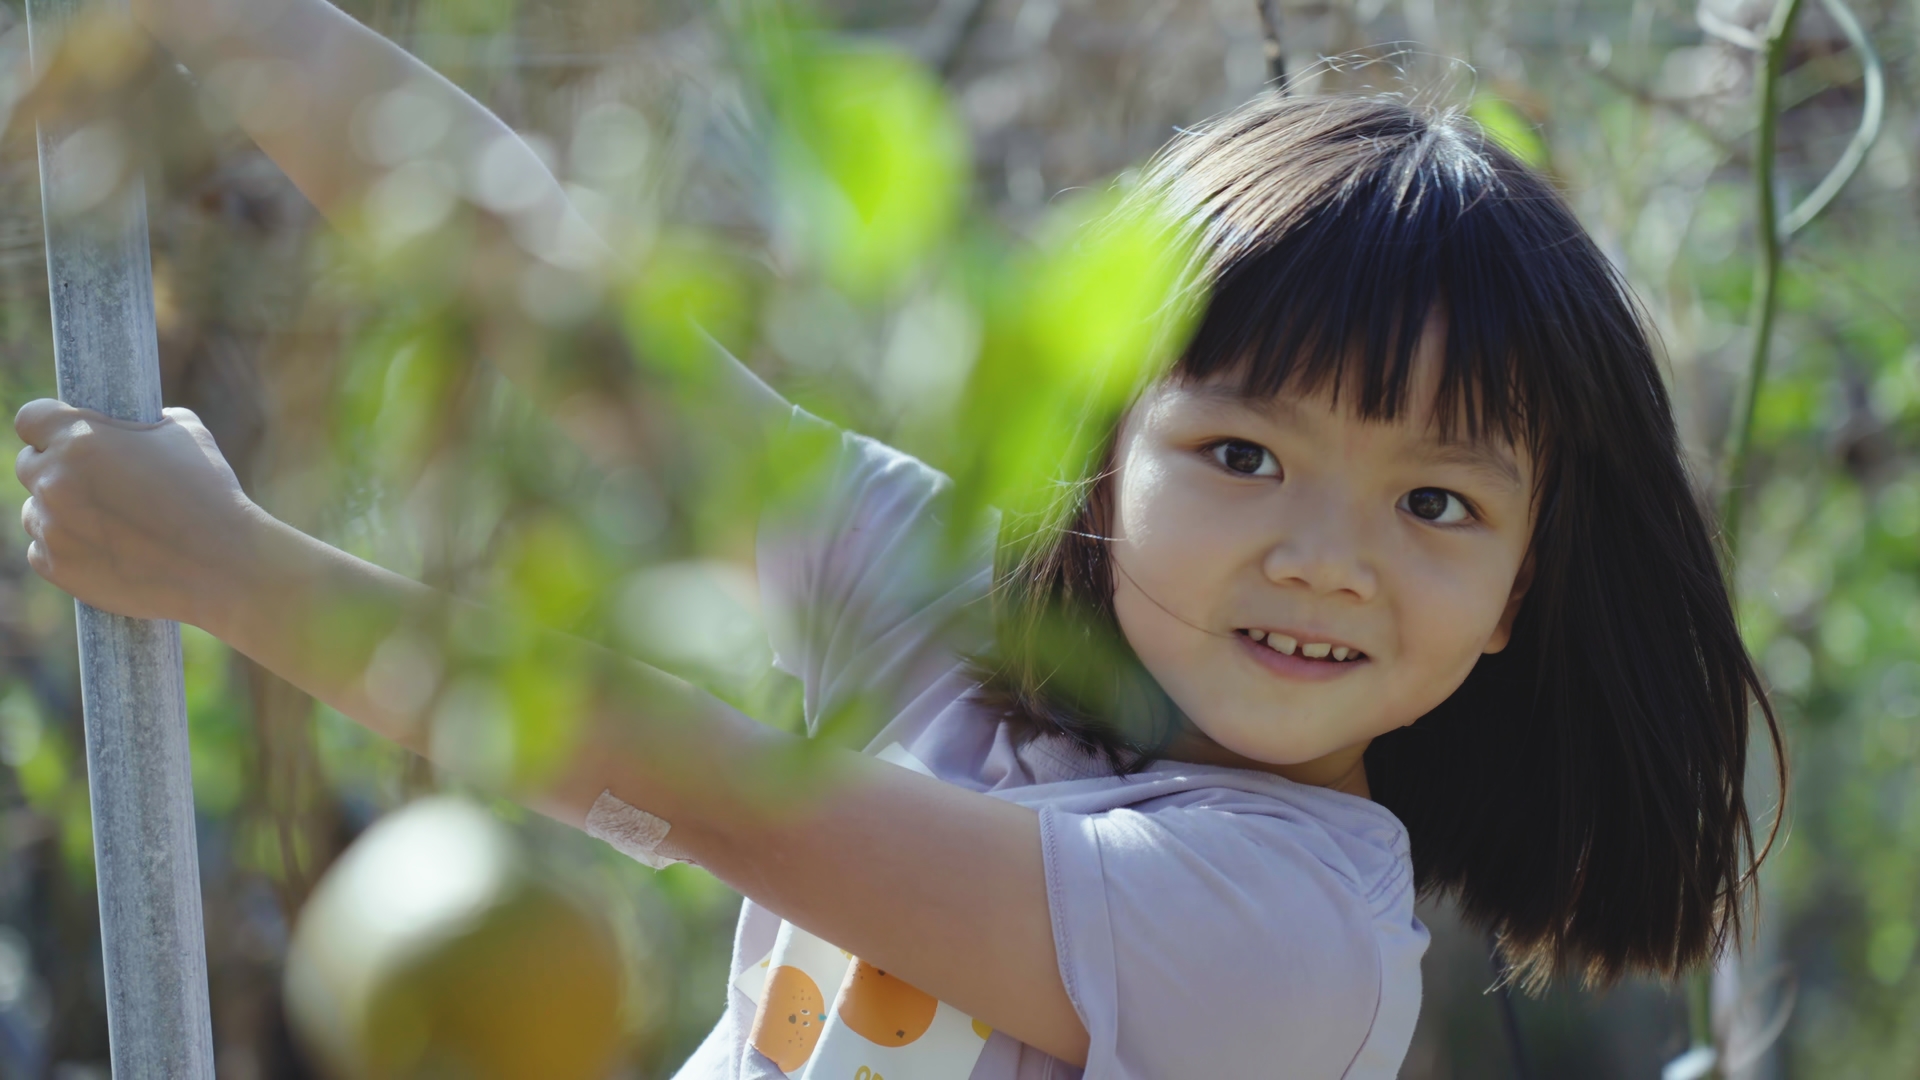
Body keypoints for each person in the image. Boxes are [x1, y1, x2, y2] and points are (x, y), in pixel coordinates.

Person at [13, 2, 1781, 1076]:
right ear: (1102, 457)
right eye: (1242, 451)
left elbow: (718, 792)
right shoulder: (963, 624)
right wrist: (228, 14)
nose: (1326, 553)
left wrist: (232, 573)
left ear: (1518, 594)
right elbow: (549, 297)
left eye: (1437, 502)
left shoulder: (1298, 939)